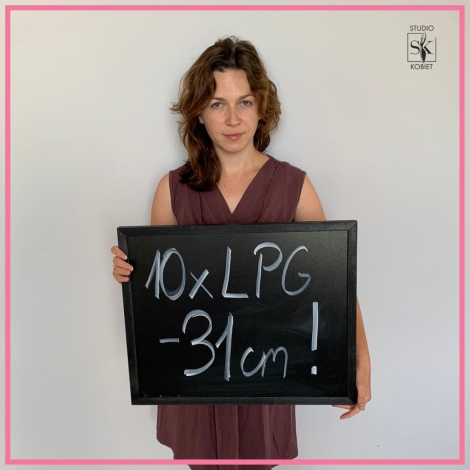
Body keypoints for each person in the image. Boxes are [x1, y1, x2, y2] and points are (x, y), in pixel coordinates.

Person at [111, 36, 371, 469]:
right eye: (218, 104)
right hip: (196, 379)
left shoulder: (294, 186)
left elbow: (334, 283)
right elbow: (158, 291)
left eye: (244, 102)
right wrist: (130, 273)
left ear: (261, 106)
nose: (233, 119)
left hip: (265, 376)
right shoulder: (172, 189)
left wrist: (359, 359)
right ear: (199, 112)